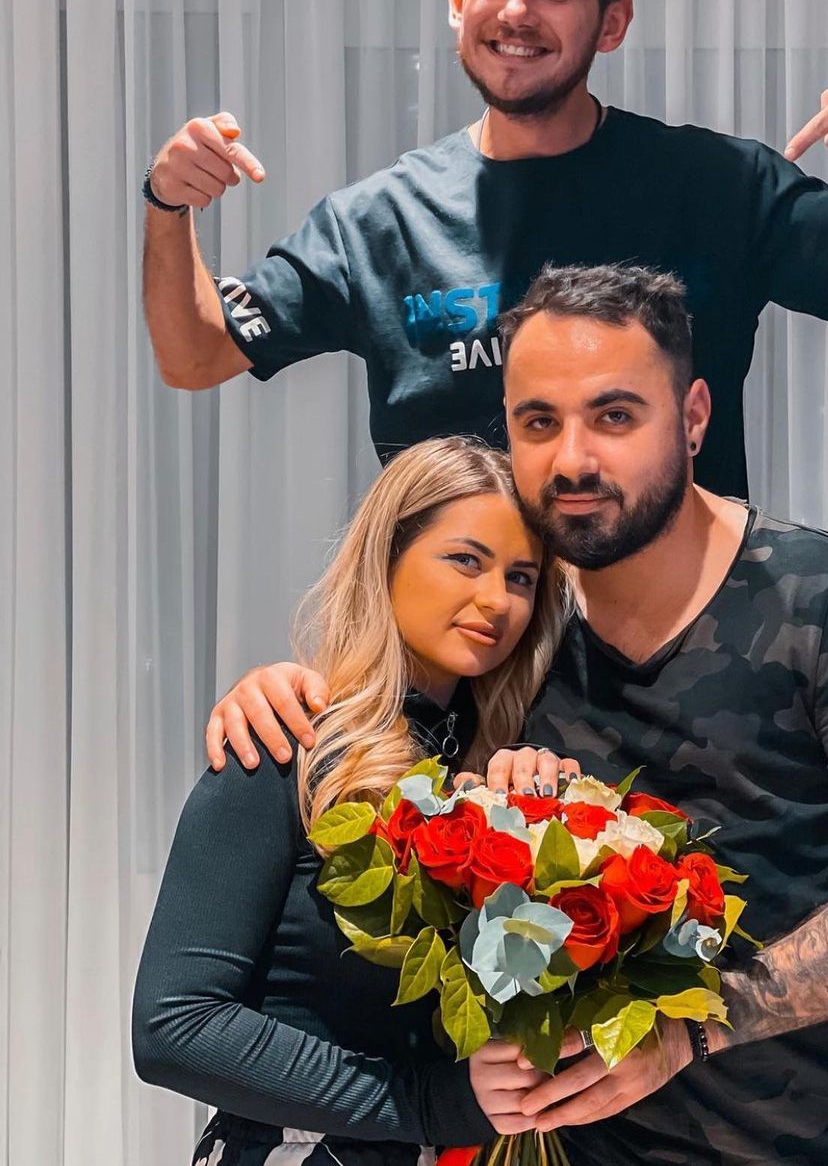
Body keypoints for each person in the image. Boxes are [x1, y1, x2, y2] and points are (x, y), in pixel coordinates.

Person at [221, 265, 828, 1165]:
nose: (573, 459)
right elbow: (393, 716)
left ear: (693, 417)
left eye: (615, 416)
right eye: (538, 421)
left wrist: (693, 1027)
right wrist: (286, 692)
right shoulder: (513, 629)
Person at [142, 0, 828, 501]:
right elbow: (195, 356)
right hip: (463, 641)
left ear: (612, 23)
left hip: (676, 643)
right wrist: (166, 204)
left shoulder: (717, 184)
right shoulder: (375, 223)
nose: (516, 12)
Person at [132, 437, 577, 1166]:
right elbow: (173, 1027)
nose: (498, 600)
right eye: (466, 560)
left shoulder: (499, 775)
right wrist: (429, 1103)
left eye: (522, 577)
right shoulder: (287, 746)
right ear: (386, 557)